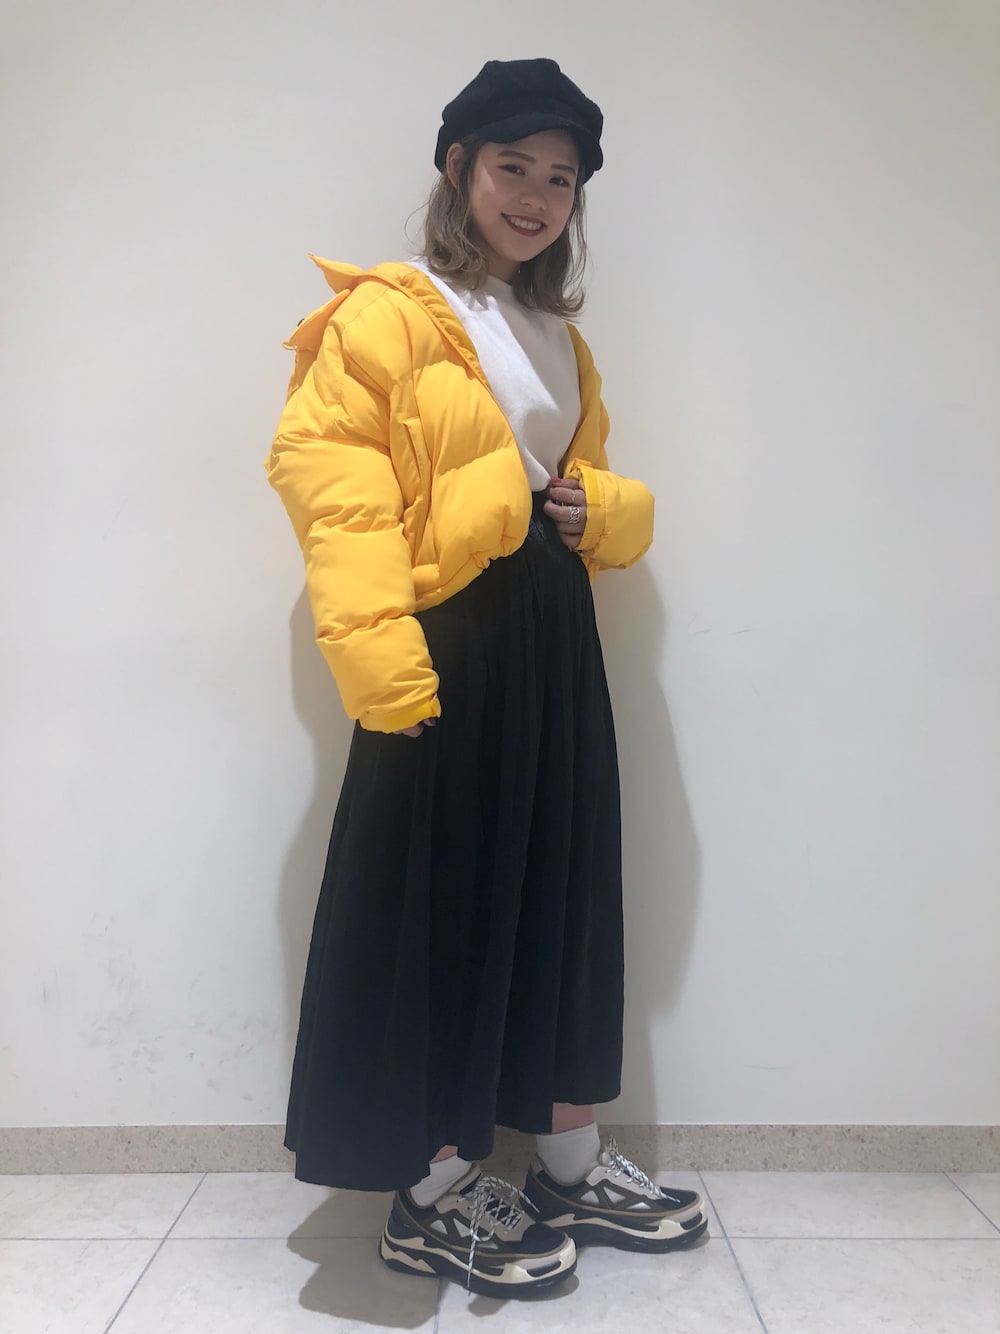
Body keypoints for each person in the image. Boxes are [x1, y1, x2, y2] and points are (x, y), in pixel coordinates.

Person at [266, 57, 708, 1299]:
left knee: (562, 889)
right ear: (458, 167)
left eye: (560, 178)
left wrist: (602, 508)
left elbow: (583, 480)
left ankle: (567, 1157)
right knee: (441, 907)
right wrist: (381, 664)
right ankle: (433, 1190)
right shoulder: (387, 313)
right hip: (443, 645)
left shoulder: (561, 337)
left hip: (552, 639)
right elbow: (336, 488)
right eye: (513, 165)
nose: (535, 196)